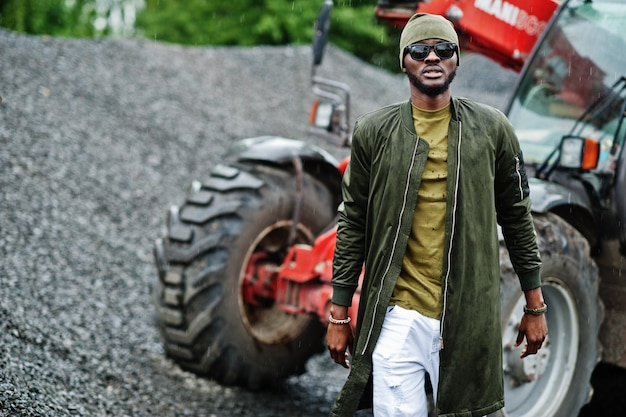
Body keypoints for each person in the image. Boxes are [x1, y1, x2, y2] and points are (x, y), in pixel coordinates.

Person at [326, 13, 548, 417]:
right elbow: (352, 222)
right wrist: (339, 312)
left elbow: (517, 219)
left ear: (456, 60)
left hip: (468, 319)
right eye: (419, 49)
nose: (432, 57)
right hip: (398, 320)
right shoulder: (373, 133)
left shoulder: (492, 130)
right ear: (403, 60)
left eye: (443, 49)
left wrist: (534, 306)